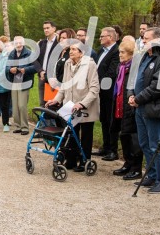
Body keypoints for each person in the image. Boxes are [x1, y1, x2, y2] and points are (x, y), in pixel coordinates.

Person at [128, 27, 160, 194]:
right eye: (143, 38)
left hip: (155, 107)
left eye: (147, 39)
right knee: (144, 143)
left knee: (156, 145)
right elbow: (134, 78)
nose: (143, 41)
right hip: (140, 107)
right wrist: (131, 94)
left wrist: (138, 98)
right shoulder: (144, 57)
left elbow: (159, 86)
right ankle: (151, 174)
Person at [47, 43, 100, 172]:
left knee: (86, 135)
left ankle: (85, 160)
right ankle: (71, 159)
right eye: (70, 49)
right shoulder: (68, 64)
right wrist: (56, 100)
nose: (71, 52)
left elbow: (94, 88)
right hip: (70, 105)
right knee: (71, 133)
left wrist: (82, 104)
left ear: (81, 53)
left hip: (85, 105)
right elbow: (64, 85)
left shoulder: (90, 65)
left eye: (74, 50)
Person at [112, 37, 144, 180]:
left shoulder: (135, 67)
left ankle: (136, 167)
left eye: (123, 52)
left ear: (131, 54)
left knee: (133, 137)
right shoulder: (121, 67)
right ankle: (127, 163)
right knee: (124, 135)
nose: (120, 55)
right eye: (119, 52)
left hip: (130, 105)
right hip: (120, 103)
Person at [95, 27, 121, 160]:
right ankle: (105, 147)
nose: (100, 38)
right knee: (104, 119)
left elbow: (111, 73)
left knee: (111, 120)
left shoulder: (116, 52)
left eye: (102, 36)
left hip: (110, 91)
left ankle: (112, 149)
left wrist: (97, 84)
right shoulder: (101, 51)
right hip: (100, 91)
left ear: (110, 37)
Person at [7, 36, 38, 135]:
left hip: (24, 82)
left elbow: (36, 67)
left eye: (20, 43)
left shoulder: (29, 53)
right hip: (14, 81)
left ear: (24, 43)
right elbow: (6, 65)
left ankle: (25, 127)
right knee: (15, 106)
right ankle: (18, 125)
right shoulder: (12, 53)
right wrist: (9, 69)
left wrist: (25, 69)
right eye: (16, 43)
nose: (18, 45)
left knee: (22, 105)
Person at [36, 21, 59, 106]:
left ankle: (50, 119)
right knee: (42, 103)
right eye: (44, 28)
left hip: (53, 77)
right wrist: (40, 71)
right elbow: (35, 59)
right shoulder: (42, 43)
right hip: (41, 76)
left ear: (54, 28)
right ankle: (42, 119)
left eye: (48, 28)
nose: (45, 30)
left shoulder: (59, 43)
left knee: (51, 104)